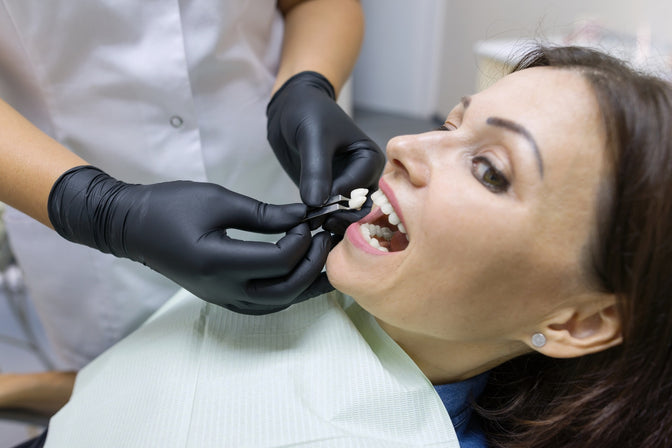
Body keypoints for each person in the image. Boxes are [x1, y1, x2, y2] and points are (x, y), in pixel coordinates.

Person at [6, 44, 672, 447]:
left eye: (490, 170)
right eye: (449, 121)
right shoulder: (306, 296)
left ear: (577, 321)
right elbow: (166, 384)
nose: (405, 146)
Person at [0, 0, 384, 369]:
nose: (402, 145)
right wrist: (98, 210)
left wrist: (306, 82)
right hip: (77, 218)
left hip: (269, 172)